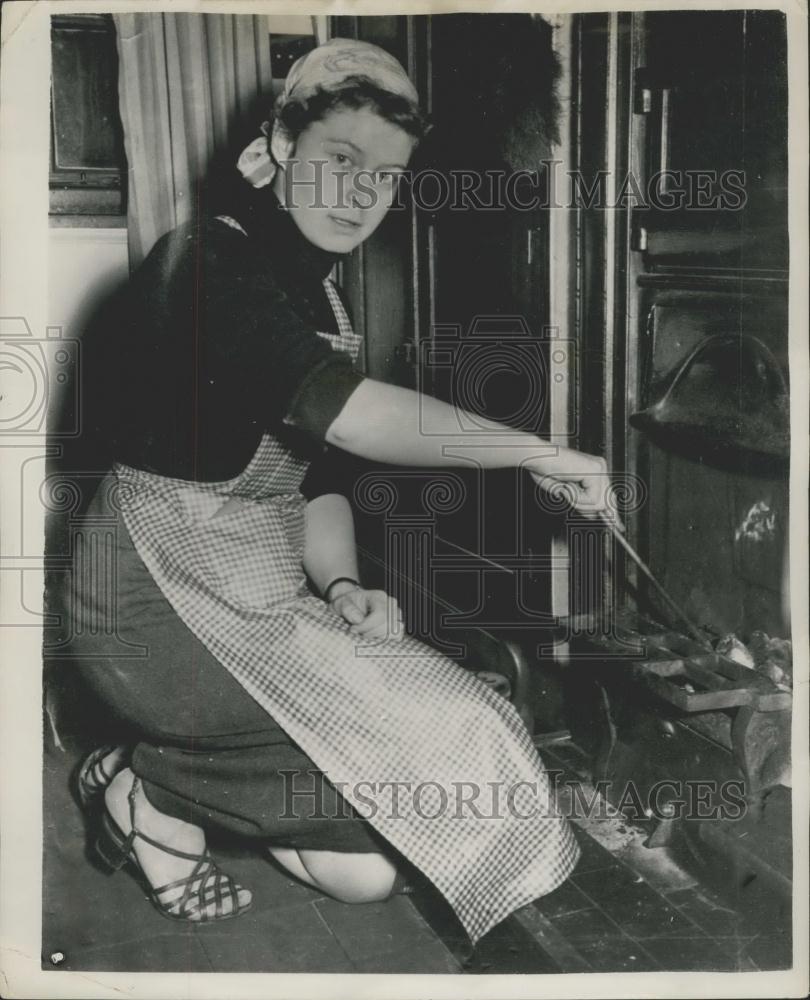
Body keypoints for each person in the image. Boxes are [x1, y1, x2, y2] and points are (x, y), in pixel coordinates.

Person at [68, 38, 609, 941]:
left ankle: (154, 772)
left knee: (366, 872)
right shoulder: (201, 262)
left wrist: (346, 587)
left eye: (388, 177)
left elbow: (318, 485)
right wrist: (538, 453)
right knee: (449, 749)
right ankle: (150, 787)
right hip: (147, 607)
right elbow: (350, 419)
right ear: (281, 143)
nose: (363, 195)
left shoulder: (327, 301)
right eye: (340, 159)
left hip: (250, 588)